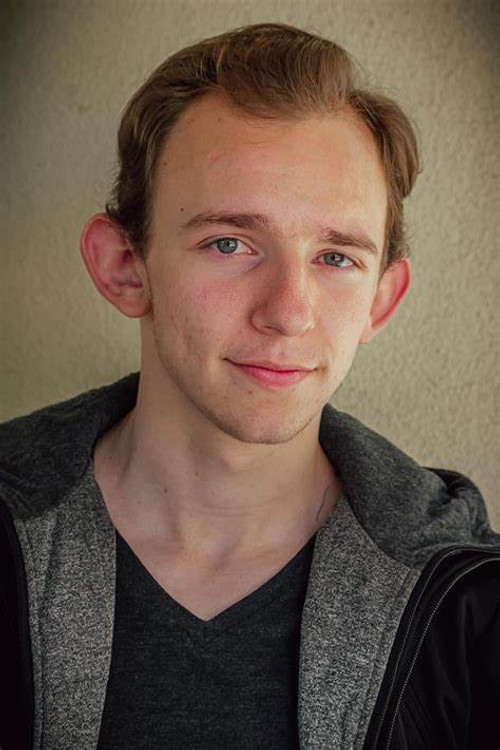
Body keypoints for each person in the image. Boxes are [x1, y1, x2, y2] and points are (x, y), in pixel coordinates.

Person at [1, 21, 498, 750]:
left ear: (381, 301)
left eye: (336, 257)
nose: (289, 313)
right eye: (230, 243)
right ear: (125, 267)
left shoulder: (472, 607)